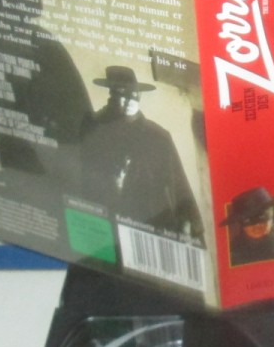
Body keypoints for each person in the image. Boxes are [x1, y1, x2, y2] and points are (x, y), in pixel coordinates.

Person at [78, 66, 205, 244]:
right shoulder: (93, 128)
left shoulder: (158, 136)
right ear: (111, 95)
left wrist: (188, 222)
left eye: (135, 93)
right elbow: (78, 173)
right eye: (123, 93)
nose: (131, 99)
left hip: (151, 226)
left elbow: (179, 184)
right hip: (104, 224)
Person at [222, 187, 274, 265]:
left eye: (262, 217)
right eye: (248, 220)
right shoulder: (234, 254)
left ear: (272, 215)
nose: (257, 225)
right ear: (241, 225)